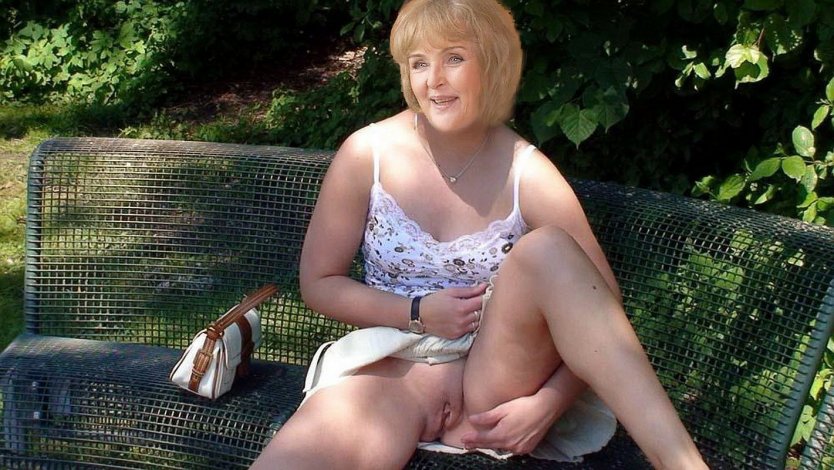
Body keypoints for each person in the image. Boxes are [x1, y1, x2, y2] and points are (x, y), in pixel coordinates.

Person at [251, 0, 709, 468]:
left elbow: (600, 303)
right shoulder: (367, 153)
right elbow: (319, 283)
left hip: (497, 383)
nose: (434, 80)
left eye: (454, 57)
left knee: (549, 250)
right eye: (419, 63)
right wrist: (416, 312)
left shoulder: (527, 173)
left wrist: (549, 402)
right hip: (395, 377)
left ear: (491, 64)